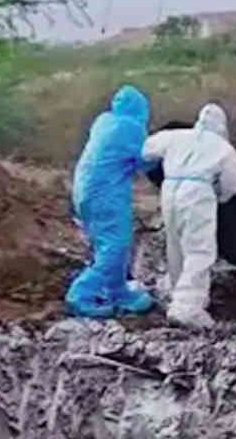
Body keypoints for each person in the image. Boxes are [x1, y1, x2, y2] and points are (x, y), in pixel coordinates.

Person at [142, 103, 236, 329]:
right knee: (199, 250)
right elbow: (234, 186)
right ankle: (187, 307)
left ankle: (176, 293)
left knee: (175, 244)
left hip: (170, 190)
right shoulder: (223, 148)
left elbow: (146, 149)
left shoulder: (176, 136)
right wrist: (221, 197)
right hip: (198, 193)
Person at [66, 85, 156, 318]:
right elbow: (144, 162)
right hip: (105, 194)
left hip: (84, 190)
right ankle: (80, 294)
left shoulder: (103, 122)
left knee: (106, 244)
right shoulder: (131, 128)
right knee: (115, 245)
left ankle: (117, 291)